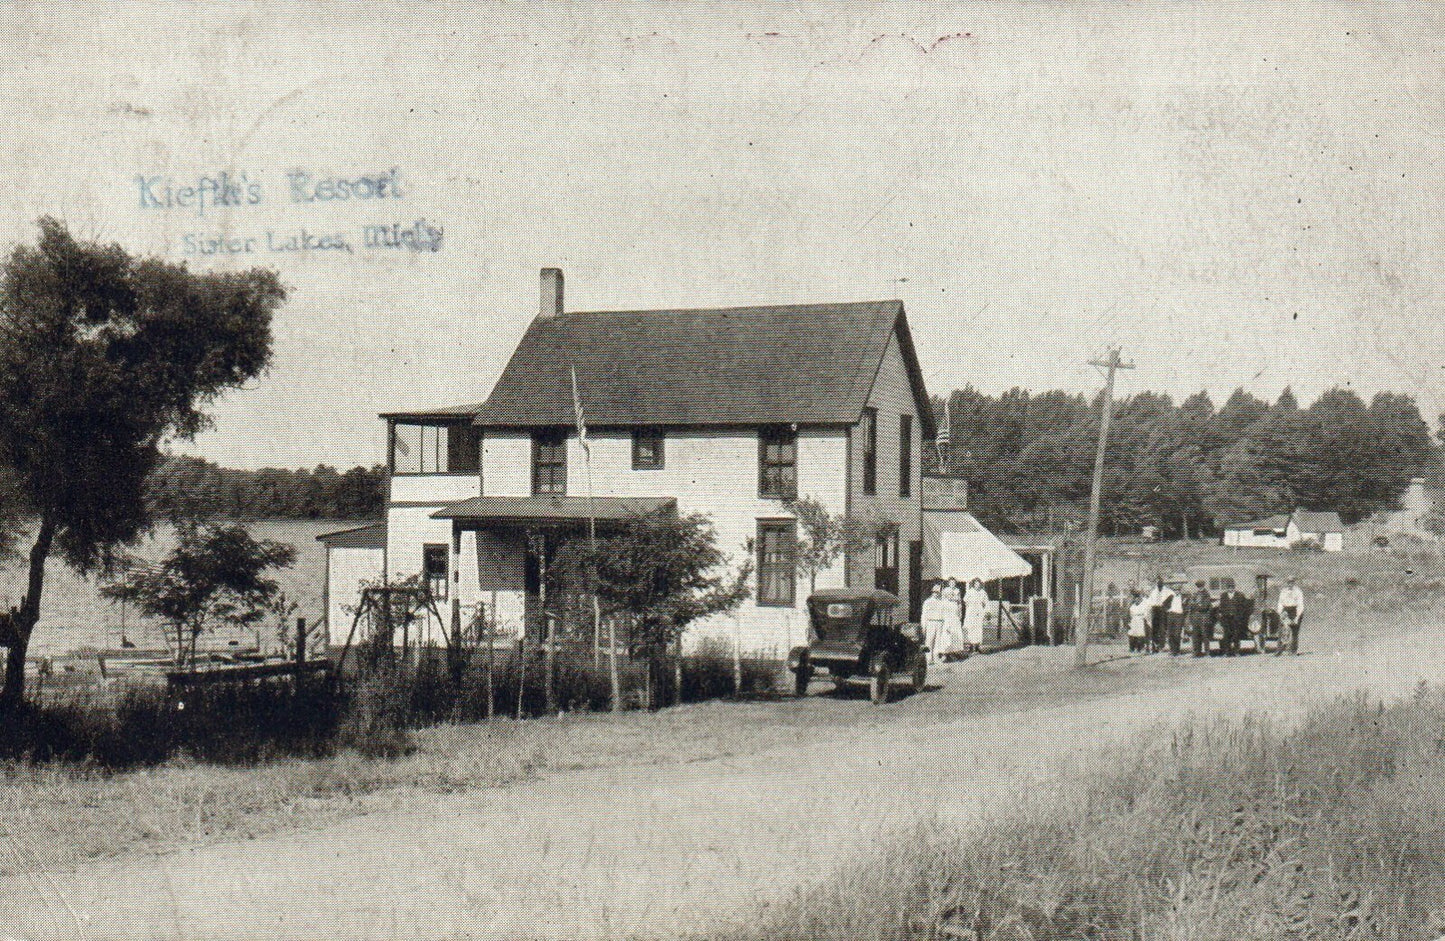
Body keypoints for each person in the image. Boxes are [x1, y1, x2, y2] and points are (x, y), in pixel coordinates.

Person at [1215, 582, 1253, 656]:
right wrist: (1221, 615)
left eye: (1232, 587)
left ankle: (1236, 651)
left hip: (1236, 619)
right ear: (1227, 588)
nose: (1230, 589)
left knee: (1236, 635)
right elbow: (1221, 607)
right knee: (1226, 635)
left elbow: (1244, 607)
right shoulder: (1223, 595)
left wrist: (1240, 616)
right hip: (1226, 619)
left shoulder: (1240, 595)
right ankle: (1227, 652)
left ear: (1234, 587)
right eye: (1229, 587)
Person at [1148, 576, 1177, 654]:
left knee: (1162, 629)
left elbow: (1173, 596)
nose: (1159, 583)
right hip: (1155, 610)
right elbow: (1149, 602)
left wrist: (1166, 605)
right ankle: (1155, 646)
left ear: (1162, 582)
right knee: (1155, 629)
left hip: (1163, 611)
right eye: (1157, 582)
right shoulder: (1153, 591)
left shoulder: (1168, 591)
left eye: (1160, 581)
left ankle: (1161, 646)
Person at [921, 583, 948, 665]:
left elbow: (944, 614)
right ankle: (928, 658)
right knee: (929, 640)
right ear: (932, 592)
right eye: (934, 592)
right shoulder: (927, 602)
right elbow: (924, 614)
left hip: (940, 622)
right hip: (930, 622)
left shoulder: (941, 602)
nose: (936, 594)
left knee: (938, 641)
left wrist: (945, 624)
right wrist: (924, 626)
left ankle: (936, 657)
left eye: (938, 592)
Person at [1277, 576, 1305, 656]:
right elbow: (1280, 603)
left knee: (1294, 631)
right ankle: (1279, 650)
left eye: (1291, 582)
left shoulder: (1298, 591)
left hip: (1295, 610)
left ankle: (1293, 650)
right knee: (1281, 629)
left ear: (1294, 582)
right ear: (1286, 583)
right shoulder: (1283, 591)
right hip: (1286, 610)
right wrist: (1281, 613)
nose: (1290, 584)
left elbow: (1300, 605)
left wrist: (1297, 617)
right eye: (1288, 582)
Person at [1187, 581, 1215, 657]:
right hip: (1195, 618)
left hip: (1203, 617)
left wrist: (1196, 605)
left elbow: (1205, 607)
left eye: (1201, 586)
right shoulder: (1195, 595)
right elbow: (1190, 606)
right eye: (1198, 586)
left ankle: (1207, 652)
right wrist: (1197, 605)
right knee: (1195, 636)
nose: (1200, 588)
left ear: (1203, 586)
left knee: (1205, 635)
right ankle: (1196, 652)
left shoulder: (1206, 595)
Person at [941, 578, 965, 659]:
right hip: (947, 614)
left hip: (955, 614)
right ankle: (946, 652)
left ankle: (956, 651)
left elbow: (959, 603)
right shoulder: (945, 590)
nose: (952, 584)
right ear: (949, 583)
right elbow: (943, 601)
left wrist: (960, 613)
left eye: (954, 582)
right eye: (951, 582)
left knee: (956, 631)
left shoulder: (957, 590)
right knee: (947, 632)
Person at [962, 578, 989, 648]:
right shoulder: (970, 591)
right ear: (973, 584)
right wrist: (969, 609)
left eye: (979, 584)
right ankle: (971, 645)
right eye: (976, 584)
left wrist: (986, 611)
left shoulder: (983, 592)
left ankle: (977, 646)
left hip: (979, 611)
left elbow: (986, 602)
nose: (977, 585)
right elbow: (965, 601)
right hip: (971, 612)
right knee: (971, 628)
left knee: (978, 628)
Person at [1126, 588, 1150, 653]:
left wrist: (1144, 619)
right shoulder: (1132, 606)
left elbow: (1145, 614)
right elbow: (1131, 614)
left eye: (1138, 599)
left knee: (1140, 634)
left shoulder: (1142, 605)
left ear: (1139, 599)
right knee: (1132, 634)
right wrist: (1130, 622)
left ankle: (1139, 648)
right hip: (1134, 620)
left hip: (1140, 620)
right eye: (1135, 599)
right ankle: (1132, 648)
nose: (1136, 600)